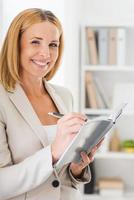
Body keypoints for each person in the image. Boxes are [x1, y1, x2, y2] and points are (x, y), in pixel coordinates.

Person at [0, 8, 102, 200]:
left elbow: (61, 179)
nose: (46, 53)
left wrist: (76, 168)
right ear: (16, 45)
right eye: (35, 42)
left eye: (53, 44)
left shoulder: (64, 96)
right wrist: (53, 152)